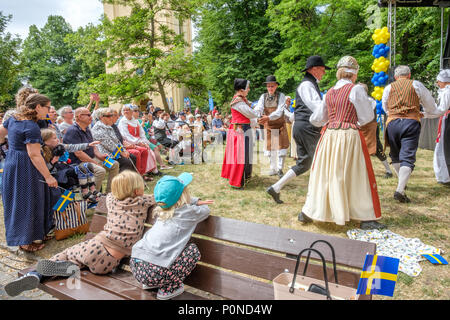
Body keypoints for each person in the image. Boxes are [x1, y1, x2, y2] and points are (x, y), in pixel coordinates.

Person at [4, 170, 155, 297]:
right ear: (137, 191)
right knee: (76, 262)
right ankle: (63, 268)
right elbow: (159, 199)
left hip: (96, 247)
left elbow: (110, 195)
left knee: (69, 253)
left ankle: (37, 274)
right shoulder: (142, 201)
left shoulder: (111, 200)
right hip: (109, 263)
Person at [300, 56, 385, 229]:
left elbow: (316, 119)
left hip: (329, 135)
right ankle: (363, 216)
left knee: (325, 173)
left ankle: (311, 211)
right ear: (354, 73)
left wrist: (332, 120)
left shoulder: (329, 92)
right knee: (354, 174)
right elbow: (367, 116)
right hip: (349, 135)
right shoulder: (356, 90)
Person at [130, 172, 212, 299]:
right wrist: (196, 201)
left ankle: (150, 283)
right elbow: (206, 210)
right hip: (155, 272)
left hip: (136, 265)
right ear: (184, 196)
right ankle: (168, 289)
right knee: (193, 251)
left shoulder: (162, 210)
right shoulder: (188, 211)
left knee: (159, 259)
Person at [266, 55, 330, 206]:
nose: (324, 72)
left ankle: (276, 187)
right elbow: (317, 108)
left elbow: (301, 111)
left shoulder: (309, 84)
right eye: (322, 69)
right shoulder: (307, 85)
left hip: (303, 127)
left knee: (304, 163)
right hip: (308, 128)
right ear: (313, 69)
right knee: (319, 162)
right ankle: (317, 200)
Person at [0, 94, 57, 252]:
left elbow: (1, 134)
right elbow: (34, 154)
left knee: (30, 198)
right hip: (26, 165)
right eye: (47, 107)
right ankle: (24, 242)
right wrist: (48, 176)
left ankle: (39, 232)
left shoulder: (14, 118)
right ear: (38, 107)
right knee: (25, 201)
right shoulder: (30, 127)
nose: (49, 110)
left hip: (12, 161)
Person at [382, 65, 441, 203]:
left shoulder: (389, 87)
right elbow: (431, 105)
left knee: (395, 155)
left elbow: (385, 106)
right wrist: (423, 112)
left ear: (396, 77)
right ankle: (400, 189)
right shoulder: (417, 85)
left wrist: (394, 114)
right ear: (409, 75)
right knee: (407, 156)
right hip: (411, 122)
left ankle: (401, 184)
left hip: (393, 123)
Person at [64, 107, 119, 193]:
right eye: (88, 115)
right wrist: (95, 162)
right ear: (79, 116)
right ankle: (92, 196)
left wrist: (100, 156)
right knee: (100, 171)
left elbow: (94, 147)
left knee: (114, 164)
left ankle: (109, 193)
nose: (91, 117)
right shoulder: (72, 131)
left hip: (92, 159)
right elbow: (79, 154)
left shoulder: (87, 129)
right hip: (80, 163)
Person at [221, 79, 264, 189]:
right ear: (241, 90)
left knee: (246, 154)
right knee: (241, 155)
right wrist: (259, 110)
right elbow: (251, 113)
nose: (249, 89)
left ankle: (245, 176)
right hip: (240, 130)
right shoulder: (238, 102)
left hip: (243, 128)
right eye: (247, 88)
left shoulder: (242, 100)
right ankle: (237, 181)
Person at [41, 128, 101, 203]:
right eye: (54, 138)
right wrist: (53, 161)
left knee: (88, 165)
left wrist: (88, 145)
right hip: (57, 173)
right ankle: (85, 192)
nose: (58, 140)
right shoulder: (42, 152)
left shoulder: (59, 146)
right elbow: (44, 169)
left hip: (64, 168)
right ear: (46, 141)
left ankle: (93, 190)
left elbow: (72, 147)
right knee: (81, 168)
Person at [254, 75, 289, 177]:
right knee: (270, 149)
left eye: (272, 86)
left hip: (280, 125)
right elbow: (259, 108)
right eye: (268, 86)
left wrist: (268, 117)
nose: (270, 88)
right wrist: (257, 116)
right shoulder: (263, 96)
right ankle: (273, 168)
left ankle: (280, 169)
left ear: (276, 86)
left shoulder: (281, 96)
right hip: (269, 126)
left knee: (281, 149)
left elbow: (279, 111)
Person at [118, 104, 160, 180]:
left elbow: (142, 133)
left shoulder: (135, 121)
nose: (126, 111)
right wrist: (138, 143)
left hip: (138, 142)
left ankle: (142, 173)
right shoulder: (123, 122)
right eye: (124, 110)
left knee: (146, 150)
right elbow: (126, 136)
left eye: (128, 110)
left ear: (131, 112)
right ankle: (138, 175)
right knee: (139, 152)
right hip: (128, 144)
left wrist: (144, 143)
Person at [91, 108, 137, 173]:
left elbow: (117, 141)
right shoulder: (97, 129)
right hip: (104, 157)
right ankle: (122, 182)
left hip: (114, 153)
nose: (111, 118)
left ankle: (132, 179)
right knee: (126, 162)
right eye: (109, 116)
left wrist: (123, 150)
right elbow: (109, 145)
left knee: (132, 157)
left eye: (111, 115)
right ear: (101, 117)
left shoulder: (109, 126)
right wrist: (121, 152)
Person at [359, 106, 393, 178]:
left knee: (377, 148)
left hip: (370, 127)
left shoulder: (371, 101)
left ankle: (389, 171)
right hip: (360, 127)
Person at [430, 69, 450, 185]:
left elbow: (442, 109)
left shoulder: (447, 92)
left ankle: (445, 177)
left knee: (444, 147)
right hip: (446, 119)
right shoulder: (445, 91)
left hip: (447, 121)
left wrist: (429, 113)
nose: (438, 83)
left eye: (439, 81)